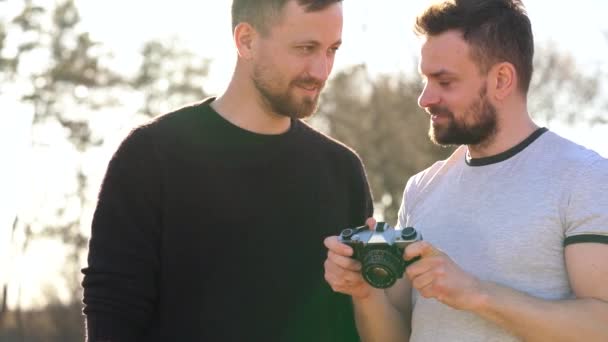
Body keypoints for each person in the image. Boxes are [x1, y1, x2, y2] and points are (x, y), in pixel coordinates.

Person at [81, 0, 373, 341]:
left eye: (331, 50)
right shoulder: (151, 156)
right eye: (305, 48)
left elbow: (355, 318)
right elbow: (113, 309)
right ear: (246, 40)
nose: (321, 70)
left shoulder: (343, 171)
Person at [324, 0, 608, 341]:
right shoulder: (421, 188)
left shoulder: (584, 177)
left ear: (502, 79)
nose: (425, 98)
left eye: (444, 81)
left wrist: (476, 294)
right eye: (426, 79)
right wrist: (364, 291)